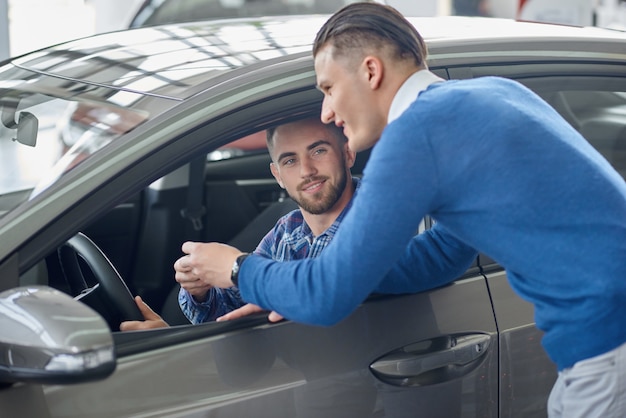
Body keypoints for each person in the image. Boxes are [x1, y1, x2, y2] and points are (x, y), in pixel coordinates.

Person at [172, 3, 626, 417]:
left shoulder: (418, 133)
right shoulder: (491, 95)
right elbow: (442, 256)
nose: (328, 111)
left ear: (370, 71)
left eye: (329, 88)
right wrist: (320, 276)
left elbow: (328, 297)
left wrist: (236, 267)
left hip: (609, 340)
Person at [120, 117, 359, 331]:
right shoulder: (288, 231)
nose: (307, 170)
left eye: (318, 151)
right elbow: (234, 313)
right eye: (290, 161)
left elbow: (326, 291)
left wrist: (237, 268)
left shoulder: (379, 218)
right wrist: (201, 290)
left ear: (348, 153)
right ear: (277, 176)